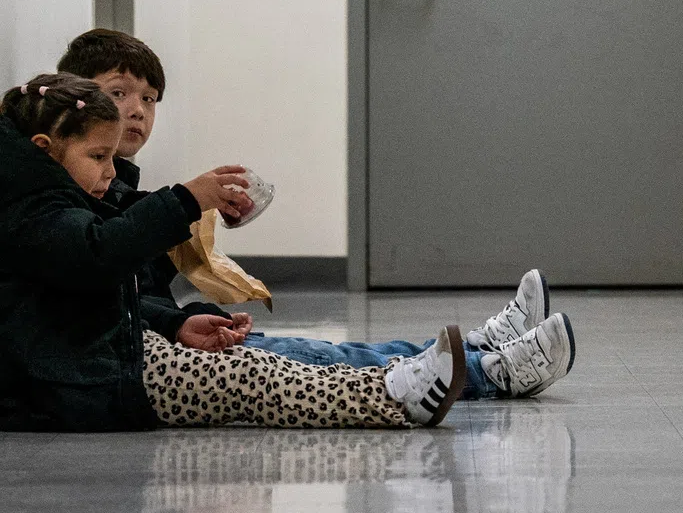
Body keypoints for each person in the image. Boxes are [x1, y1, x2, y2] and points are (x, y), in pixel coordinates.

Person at [57, 29, 576, 399]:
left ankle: (482, 350)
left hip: (161, 331)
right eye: (118, 93)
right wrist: (180, 315)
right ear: (75, 102)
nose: (137, 110)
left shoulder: (115, 181)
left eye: (148, 98)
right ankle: (491, 372)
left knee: (321, 353)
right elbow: (110, 290)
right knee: (314, 359)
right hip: (150, 348)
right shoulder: (75, 194)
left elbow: (135, 277)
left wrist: (195, 224)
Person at [0, 73, 465, 431]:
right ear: (45, 149)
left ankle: (407, 380)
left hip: (107, 361)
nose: (109, 170)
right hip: (85, 384)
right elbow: (99, 256)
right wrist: (184, 199)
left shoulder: (53, 199)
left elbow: (99, 294)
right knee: (249, 377)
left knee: (259, 363)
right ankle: (395, 396)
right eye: (98, 158)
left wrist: (173, 321)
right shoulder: (36, 212)